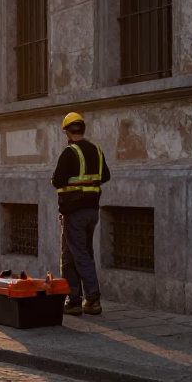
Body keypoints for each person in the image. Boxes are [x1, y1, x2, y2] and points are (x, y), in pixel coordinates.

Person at [51, 112, 111, 316]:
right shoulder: (97, 150)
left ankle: (92, 299)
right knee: (69, 256)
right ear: (82, 130)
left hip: (74, 212)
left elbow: (57, 180)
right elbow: (106, 176)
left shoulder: (70, 152)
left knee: (80, 254)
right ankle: (73, 300)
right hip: (91, 211)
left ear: (67, 131)